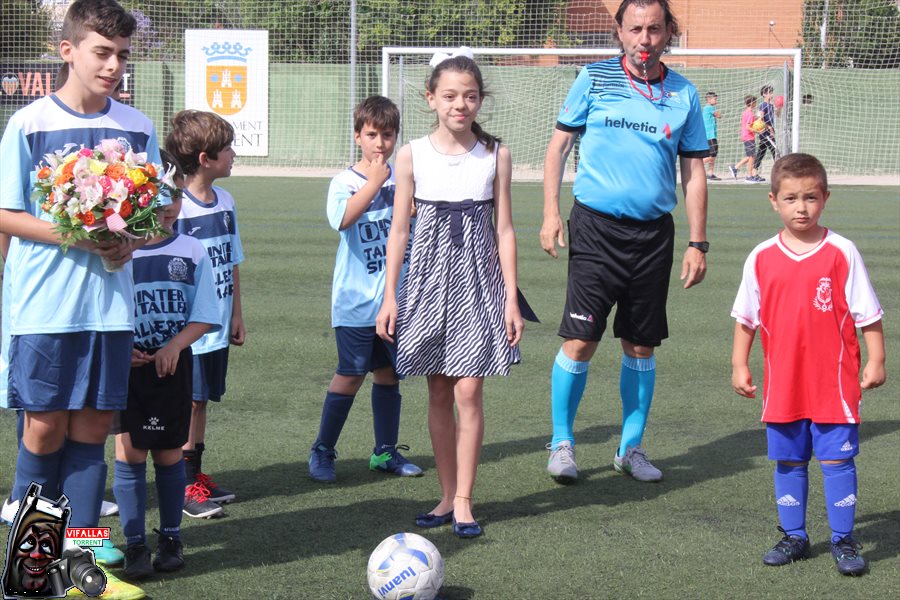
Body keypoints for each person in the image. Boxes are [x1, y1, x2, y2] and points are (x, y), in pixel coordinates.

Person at [0, 1, 158, 597]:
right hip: (45, 306)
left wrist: (130, 239)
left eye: (122, 55)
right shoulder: (29, 125)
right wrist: (81, 234)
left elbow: (157, 219)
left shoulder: (138, 127)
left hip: (112, 311)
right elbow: (6, 213)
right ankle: (28, 571)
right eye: (102, 52)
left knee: (93, 430)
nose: (114, 65)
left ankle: (77, 570)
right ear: (67, 50)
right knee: (43, 431)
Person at [541, 0, 708, 485]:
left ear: (668, 32)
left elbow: (693, 171)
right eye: (635, 28)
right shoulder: (593, 79)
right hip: (595, 229)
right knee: (580, 340)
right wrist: (552, 212)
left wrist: (699, 242)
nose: (644, 39)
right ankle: (562, 442)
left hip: (653, 236)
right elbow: (559, 146)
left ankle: (630, 449)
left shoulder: (684, 94)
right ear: (619, 32)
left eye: (654, 29)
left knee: (641, 345)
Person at [376, 50, 524, 539]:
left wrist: (510, 296)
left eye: (470, 95)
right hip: (425, 278)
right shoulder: (411, 153)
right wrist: (390, 296)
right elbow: (399, 230)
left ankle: (464, 499)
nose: (461, 105)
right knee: (437, 388)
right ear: (431, 99)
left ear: (481, 99)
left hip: (478, 280)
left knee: (469, 389)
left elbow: (504, 229)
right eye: (450, 96)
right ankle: (445, 494)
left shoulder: (496, 153)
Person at [731, 153, 885, 576]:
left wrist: (876, 358)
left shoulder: (841, 252)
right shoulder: (761, 256)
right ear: (773, 201)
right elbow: (747, 318)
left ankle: (843, 540)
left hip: (833, 384)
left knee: (837, 462)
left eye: (811, 197)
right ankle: (794, 535)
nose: (802, 207)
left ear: (825, 198)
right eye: (791, 198)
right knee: (789, 462)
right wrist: (739, 364)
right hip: (784, 385)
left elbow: (867, 314)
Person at [113, 151, 220, 580]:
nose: (168, 203)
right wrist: (122, 349)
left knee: (169, 452)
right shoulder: (122, 250)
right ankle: (135, 543)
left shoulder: (191, 249)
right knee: (130, 450)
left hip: (173, 366)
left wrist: (175, 345)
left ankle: (171, 536)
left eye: (174, 193)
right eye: (157, 195)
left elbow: (205, 312)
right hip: (129, 368)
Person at [308, 96, 423, 483]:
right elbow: (341, 219)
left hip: (397, 300)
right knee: (351, 373)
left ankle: (385, 452)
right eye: (372, 134)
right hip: (356, 301)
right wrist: (374, 183)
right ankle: (323, 449)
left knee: (389, 374)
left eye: (387, 135)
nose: (380, 143)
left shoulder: (405, 178)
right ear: (358, 136)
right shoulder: (344, 182)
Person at [165, 109, 246, 518]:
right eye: (227, 148)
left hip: (218, 322)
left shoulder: (226, 201)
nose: (233, 155)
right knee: (189, 402)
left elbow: (232, 259)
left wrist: (236, 314)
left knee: (203, 401)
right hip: (191, 328)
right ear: (204, 158)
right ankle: (182, 482)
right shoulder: (179, 209)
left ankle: (195, 472)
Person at [729, 95, 761, 182]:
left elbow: (750, 123)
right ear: (751, 103)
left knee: (751, 156)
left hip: (746, 136)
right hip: (748, 136)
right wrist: (757, 131)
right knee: (751, 156)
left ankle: (735, 167)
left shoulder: (746, 112)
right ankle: (749, 176)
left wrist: (759, 118)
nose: (756, 103)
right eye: (755, 102)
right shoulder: (750, 114)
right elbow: (748, 127)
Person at [753, 84, 779, 175]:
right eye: (770, 93)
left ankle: (754, 171)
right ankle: (778, 172)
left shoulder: (771, 106)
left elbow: (777, 116)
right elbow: (760, 119)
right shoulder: (763, 105)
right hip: (765, 132)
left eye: (772, 93)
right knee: (775, 150)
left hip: (769, 132)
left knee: (761, 151)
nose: (772, 95)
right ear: (764, 94)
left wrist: (778, 108)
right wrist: (769, 127)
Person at [702, 91, 721, 180]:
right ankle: (698, 164)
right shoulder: (709, 107)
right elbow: (718, 115)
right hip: (709, 135)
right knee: (712, 154)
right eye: (715, 99)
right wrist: (719, 114)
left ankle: (710, 173)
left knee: (713, 154)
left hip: (712, 135)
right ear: (709, 100)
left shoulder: (709, 108)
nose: (716, 100)